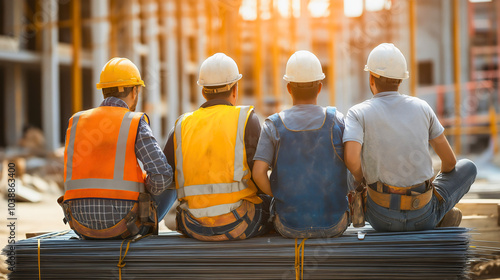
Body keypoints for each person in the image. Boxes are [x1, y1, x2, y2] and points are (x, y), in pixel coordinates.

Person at [343, 43, 477, 232]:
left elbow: (350, 158)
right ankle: (438, 211)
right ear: (400, 80)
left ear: (371, 78)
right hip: (422, 215)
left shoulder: (358, 113)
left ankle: (351, 214)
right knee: (468, 167)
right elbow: (450, 162)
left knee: (348, 168)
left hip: (380, 218)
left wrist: (361, 180)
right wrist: (430, 188)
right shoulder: (422, 107)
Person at [59, 57, 175, 239]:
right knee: (171, 175)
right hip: (125, 224)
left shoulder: (76, 121)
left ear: (104, 91)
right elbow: (161, 177)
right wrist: (146, 189)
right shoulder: (134, 122)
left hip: (79, 223)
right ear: (135, 91)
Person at [163, 53, 272, 241]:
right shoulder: (245, 119)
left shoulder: (181, 126)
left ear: (203, 92)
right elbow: (259, 174)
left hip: (193, 224)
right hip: (240, 221)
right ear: (235, 89)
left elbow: (165, 179)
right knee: (273, 205)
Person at [252, 50, 349, 238]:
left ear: (289, 88)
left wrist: (279, 196)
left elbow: (258, 173)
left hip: (288, 226)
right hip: (335, 224)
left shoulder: (273, 125)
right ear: (320, 87)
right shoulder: (337, 120)